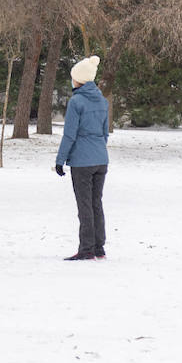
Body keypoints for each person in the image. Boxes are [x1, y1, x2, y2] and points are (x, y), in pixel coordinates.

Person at [55, 55, 110, 260]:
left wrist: (60, 160)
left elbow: (70, 134)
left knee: (85, 205)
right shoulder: (102, 100)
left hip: (82, 161)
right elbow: (105, 133)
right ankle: (99, 247)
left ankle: (86, 248)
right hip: (101, 159)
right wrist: (98, 151)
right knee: (97, 203)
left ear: (78, 79)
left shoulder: (76, 101)